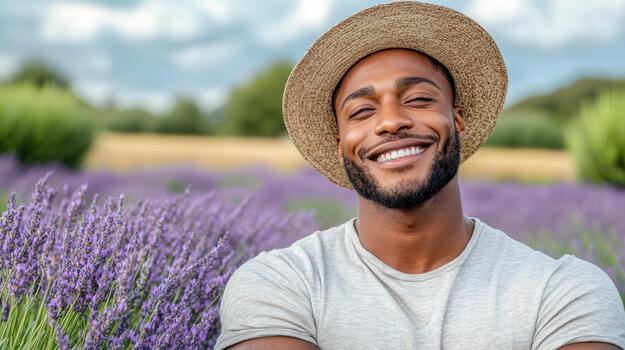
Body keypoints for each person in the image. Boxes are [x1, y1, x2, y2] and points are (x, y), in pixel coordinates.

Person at [214, 2, 625, 349]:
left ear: (457, 120)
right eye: (361, 111)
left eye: (418, 99)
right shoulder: (280, 285)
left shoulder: (564, 292)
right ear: (341, 142)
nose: (391, 121)